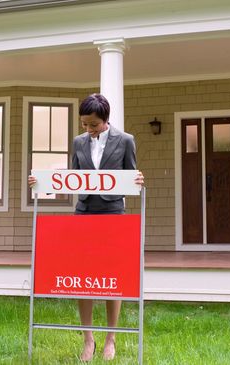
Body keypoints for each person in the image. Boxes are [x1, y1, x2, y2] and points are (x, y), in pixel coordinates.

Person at [28, 93, 144, 362]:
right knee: (83, 277)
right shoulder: (78, 142)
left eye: (93, 125)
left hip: (113, 214)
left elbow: (131, 179)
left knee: (112, 279)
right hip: (84, 214)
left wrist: (138, 179)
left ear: (105, 120)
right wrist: (42, 182)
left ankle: (110, 339)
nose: (89, 130)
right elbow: (72, 178)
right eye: (84, 125)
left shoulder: (126, 141)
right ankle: (88, 339)